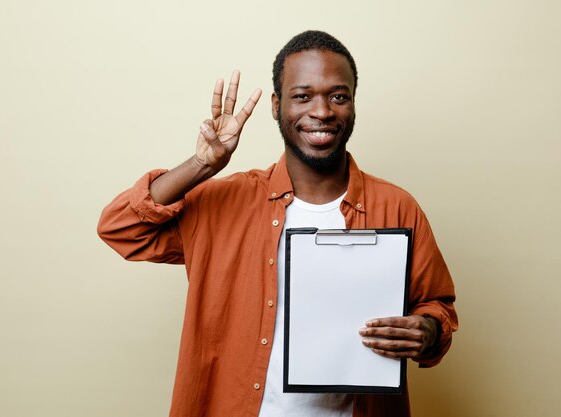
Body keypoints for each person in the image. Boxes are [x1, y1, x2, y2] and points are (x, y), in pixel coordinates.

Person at [98, 30, 457, 417]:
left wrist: (428, 332)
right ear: (276, 105)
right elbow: (121, 227)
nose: (321, 112)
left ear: (353, 104)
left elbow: (437, 308)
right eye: (302, 96)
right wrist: (202, 165)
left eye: (338, 96)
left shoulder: (397, 206)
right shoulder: (224, 202)